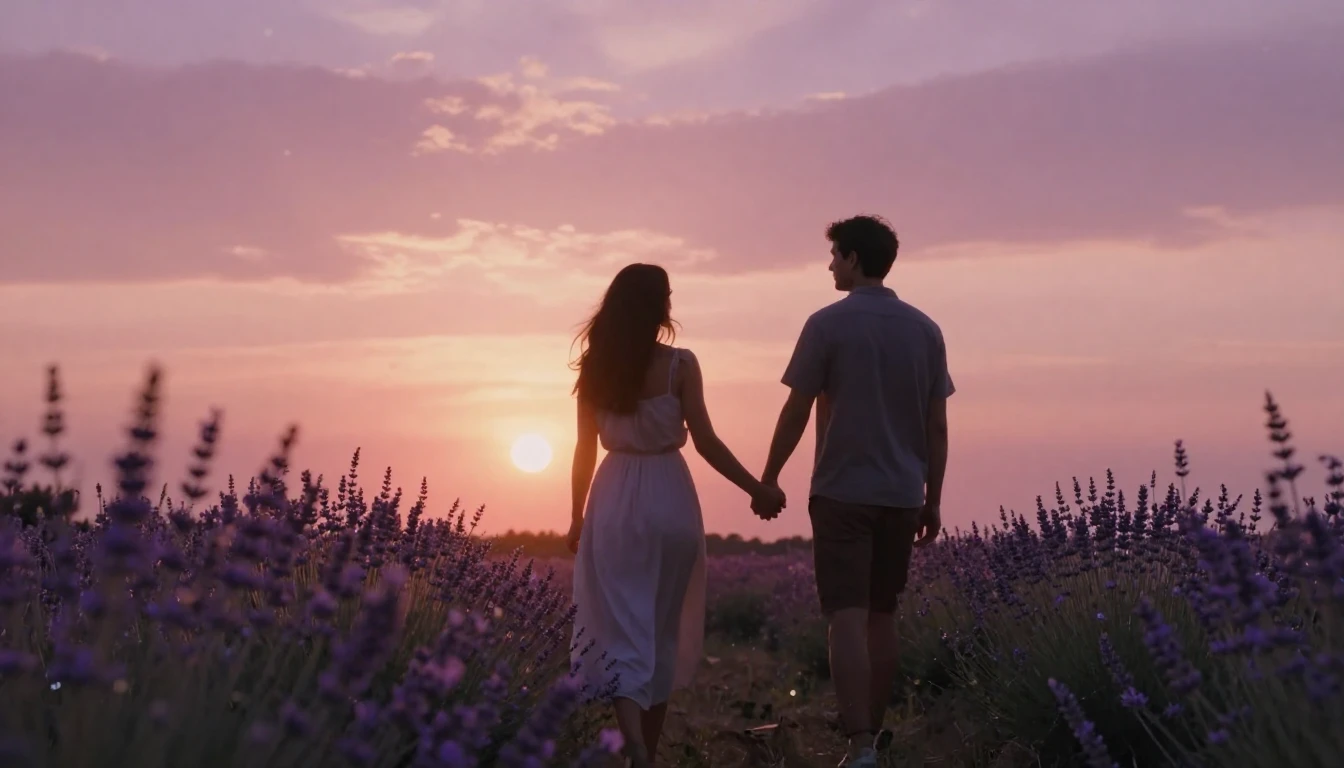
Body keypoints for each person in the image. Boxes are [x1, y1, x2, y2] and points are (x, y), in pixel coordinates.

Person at [567, 263, 786, 767]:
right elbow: (706, 441)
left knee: (622, 630)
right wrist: (756, 488)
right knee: (660, 630)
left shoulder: (594, 368)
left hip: (616, 498)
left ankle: (636, 749)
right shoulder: (681, 365)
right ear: (661, 305)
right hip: (672, 498)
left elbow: (583, 452)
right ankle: (647, 749)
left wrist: (577, 516)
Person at [755, 215, 954, 767]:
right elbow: (937, 426)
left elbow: (796, 409)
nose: (828, 265)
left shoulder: (826, 325)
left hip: (843, 490)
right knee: (882, 616)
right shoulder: (925, 329)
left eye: (834, 256)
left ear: (852, 259)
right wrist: (933, 497)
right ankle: (874, 736)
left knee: (845, 616)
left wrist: (769, 476)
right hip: (902, 493)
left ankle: (861, 743)